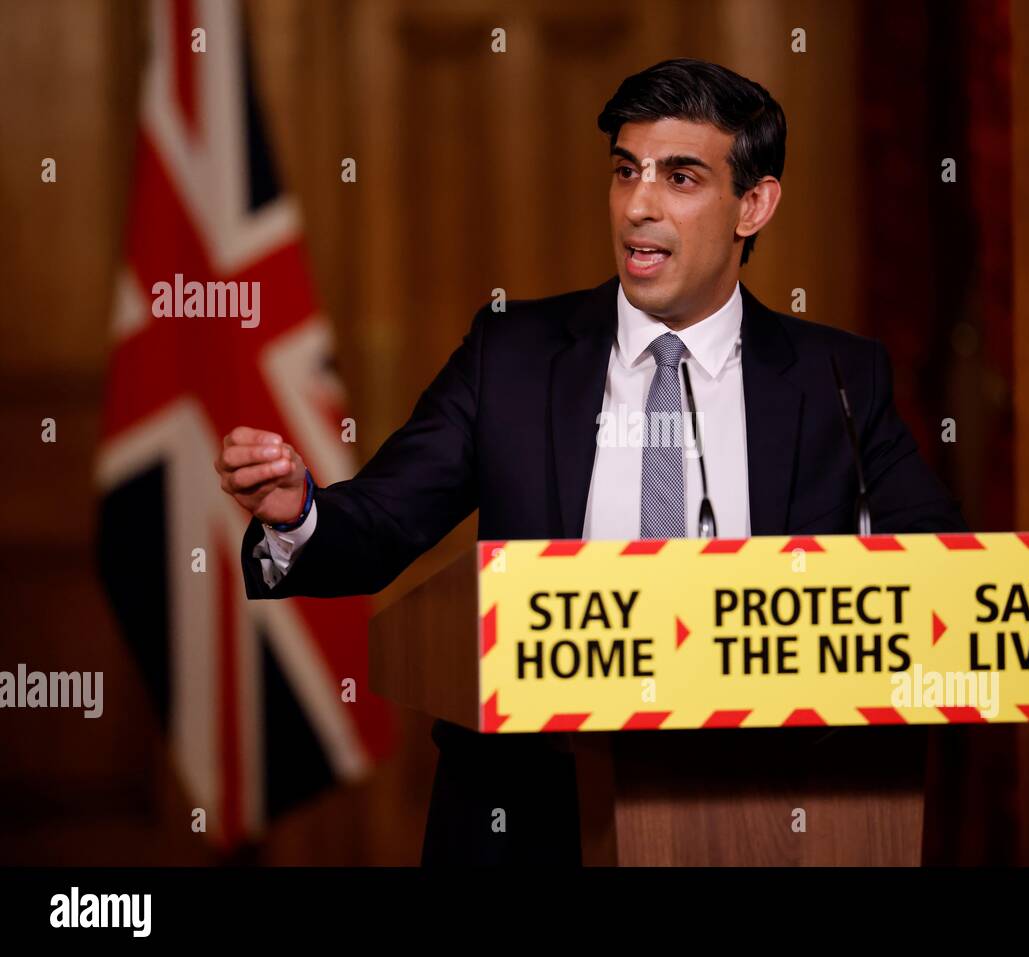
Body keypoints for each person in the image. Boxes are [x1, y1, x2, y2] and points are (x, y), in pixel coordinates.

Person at [214, 58, 966, 865]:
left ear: (754, 204)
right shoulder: (511, 356)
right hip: (529, 821)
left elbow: (942, 590)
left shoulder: (838, 379)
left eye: (680, 177)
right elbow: (382, 522)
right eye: (624, 172)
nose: (639, 206)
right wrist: (299, 511)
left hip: (773, 817)